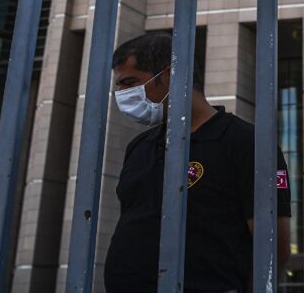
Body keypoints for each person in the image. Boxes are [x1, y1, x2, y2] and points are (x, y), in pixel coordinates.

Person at [104, 31, 291, 293]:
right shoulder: (140, 147)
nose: (121, 94)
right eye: (119, 86)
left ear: (169, 75)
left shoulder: (246, 143)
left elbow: (274, 246)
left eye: (130, 83)